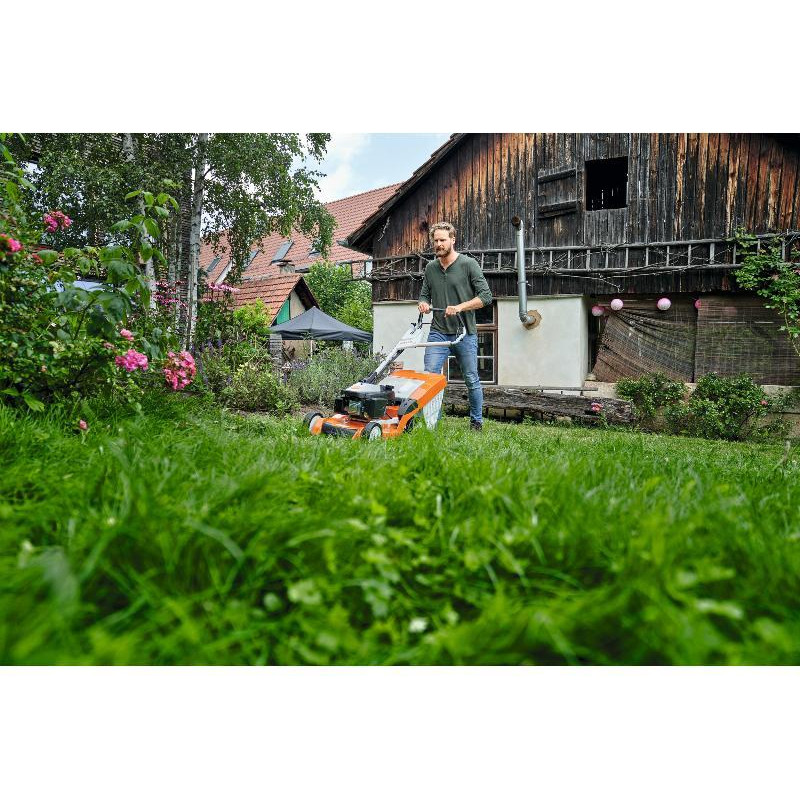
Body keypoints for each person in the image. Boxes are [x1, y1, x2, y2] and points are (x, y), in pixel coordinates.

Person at [418, 222, 492, 431]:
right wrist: (423, 303)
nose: (439, 244)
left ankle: (476, 422)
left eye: (443, 240)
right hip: (438, 332)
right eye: (436, 241)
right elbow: (424, 294)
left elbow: (486, 296)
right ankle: (432, 424)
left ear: (452, 240)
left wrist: (460, 307)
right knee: (430, 376)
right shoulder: (431, 268)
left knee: (471, 378)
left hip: (464, 332)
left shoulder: (468, 264)